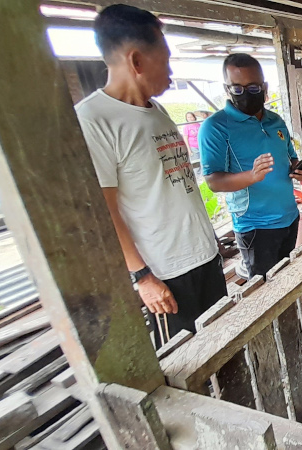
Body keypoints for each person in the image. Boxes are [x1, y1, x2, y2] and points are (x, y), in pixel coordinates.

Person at [75, 4, 226, 346]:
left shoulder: (156, 111)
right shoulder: (94, 121)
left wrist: (207, 241)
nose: (170, 72)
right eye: (166, 60)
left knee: (222, 344)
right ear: (137, 61)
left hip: (203, 257)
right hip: (166, 275)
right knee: (186, 357)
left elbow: (175, 186)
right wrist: (142, 276)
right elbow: (104, 211)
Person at [199, 53, 302, 279]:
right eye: (237, 89)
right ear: (227, 89)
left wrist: (299, 169)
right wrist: (251, 176)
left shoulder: (275, 121)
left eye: (253, 88)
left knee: (288, 279)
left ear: (264, 87)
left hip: (289, 216)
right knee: (265, 288)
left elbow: (290, 158)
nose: (245, 94)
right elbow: (213, 182)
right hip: (256, 226)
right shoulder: (216, 127)